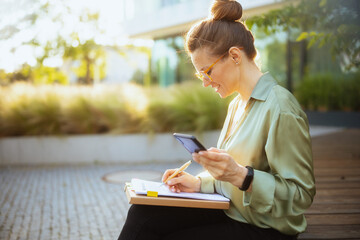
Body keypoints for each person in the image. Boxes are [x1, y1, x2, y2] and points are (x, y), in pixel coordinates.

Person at [118, 0, 315, 239]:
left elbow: (300, 196)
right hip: (232, 212)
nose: (204, 81)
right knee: (144, 212)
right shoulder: (236, 105)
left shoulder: (281, 107)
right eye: (199, 73)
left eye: (207, 71)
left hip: (265, 228)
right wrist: (198, 183)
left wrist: (242, 175)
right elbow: (230, 176)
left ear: (234, 56)